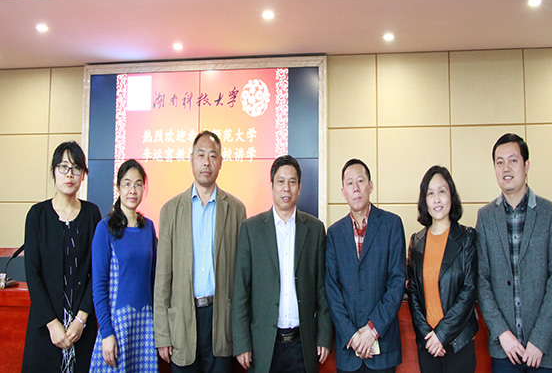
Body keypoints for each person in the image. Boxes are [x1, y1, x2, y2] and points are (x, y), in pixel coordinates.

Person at [154, 130, 247, 372]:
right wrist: (162, 334)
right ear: (191, 159)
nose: (207, 162)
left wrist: (242, 333)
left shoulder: (236, 210)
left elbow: (242, 277)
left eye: (213, 156)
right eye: (201, 155)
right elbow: (162, 278)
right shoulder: (170, 210)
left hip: (221, 320)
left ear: (221, 162)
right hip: (183, 319)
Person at [476, 133, 552, 372]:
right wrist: (502, 333)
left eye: (513, 160)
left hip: (545, 350)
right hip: (504, 350)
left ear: (526, 166)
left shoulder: (550, 213)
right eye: (499, 162)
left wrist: (539, 340)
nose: (506, 168)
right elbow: (482, 280)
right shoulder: (485, 217)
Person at [232, 155, 332, 373]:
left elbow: (322, 289)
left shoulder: (315, 229)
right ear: (271, 186)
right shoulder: (251, 229)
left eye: (292, 182)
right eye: (280, 181)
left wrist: (324, 336)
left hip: (302, 344)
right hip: (264, 344)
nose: (286, 188)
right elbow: (240, 291)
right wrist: (242, 342)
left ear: (299, 187)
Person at [22, 141, 101, 373]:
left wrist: (81, 319)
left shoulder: (92, 214)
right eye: (63, 167)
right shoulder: (37, 215)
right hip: (45, 327)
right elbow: (32, 274)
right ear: (54, 170)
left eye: (76, 168)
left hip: (82, 329)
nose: (69, 174)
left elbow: (97, 271)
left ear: (83, 174)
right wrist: (52, 323)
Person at [325, 158, 406, 373]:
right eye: (350, 183)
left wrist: (372, 330)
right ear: (343, 192)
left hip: (383, 347)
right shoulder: (334, 234)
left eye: (360, 181)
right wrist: (352, 336)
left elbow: (397, 282)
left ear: (370, 185)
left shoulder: (392, 224)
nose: (356, 188)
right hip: (348, 351)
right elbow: (332, 290)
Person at [406, 165, 478, 373]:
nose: (436, 199)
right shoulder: (416, 242)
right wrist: (428, 336)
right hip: (428, 345)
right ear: (424, 200)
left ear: (451, 196)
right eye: (430, 193)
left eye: (442, 191)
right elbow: (413, 293)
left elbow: (469, 290)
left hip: (459, 344)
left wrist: (442, 335)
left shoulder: (467, 238)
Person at [89, 159, 158, 372]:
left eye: (138, 184)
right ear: (117, 187)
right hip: (116, 327)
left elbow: (154, 280)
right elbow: (99, 287)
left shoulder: (149, 228)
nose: (132, 190)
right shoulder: (104, 229)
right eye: (127, 184)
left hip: (145, 325)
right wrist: (107, 333)